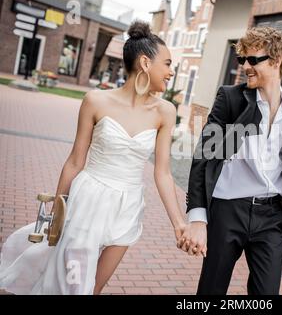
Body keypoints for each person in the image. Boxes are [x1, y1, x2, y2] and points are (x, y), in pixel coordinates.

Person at [0, 20, 186, 295]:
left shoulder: (165, 112)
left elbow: (163, 173)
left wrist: (178, 223)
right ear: (146, 63)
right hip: (87, 200)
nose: (171, 73)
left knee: (95, 287)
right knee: (72, 284)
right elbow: (75, 160)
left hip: (128, 206)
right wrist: (55, 213)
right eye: (167, 64)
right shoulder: (96, 101)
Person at [181, 27, 282, 295]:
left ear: (276, 61)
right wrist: (197, 219)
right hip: (229, 211)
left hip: (271, 217)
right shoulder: (232, 99)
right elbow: (204, 158)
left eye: (253, 60)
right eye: (242, 60)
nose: (245, 67)